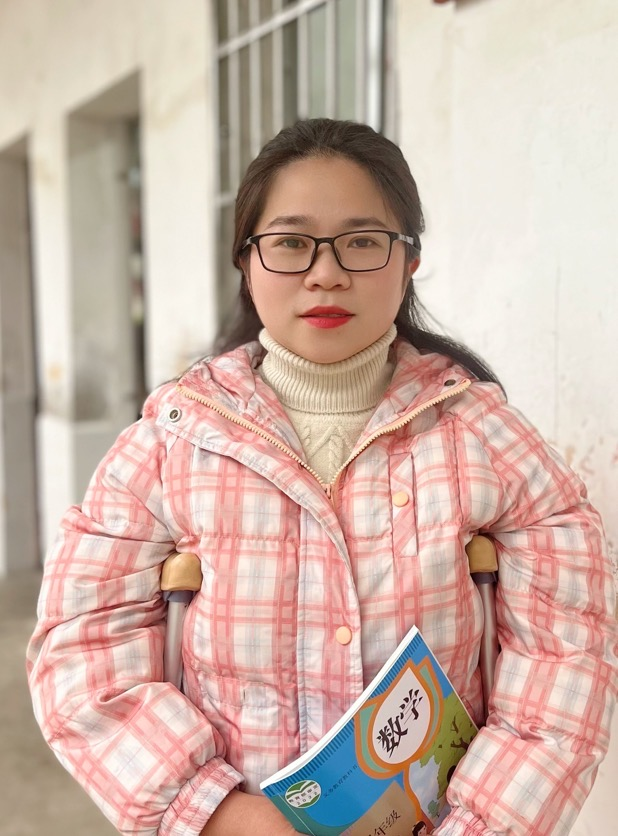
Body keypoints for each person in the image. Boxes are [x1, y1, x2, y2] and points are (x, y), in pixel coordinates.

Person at [27, 118, 616, 836]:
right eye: (291, 243)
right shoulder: (170, 444)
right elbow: (83, 650)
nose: (326, 273)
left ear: (410, 260)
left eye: (363, 242)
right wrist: (216, 814)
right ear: (246, 262)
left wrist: (480, 826)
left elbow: (567, 660)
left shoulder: (487, 439)